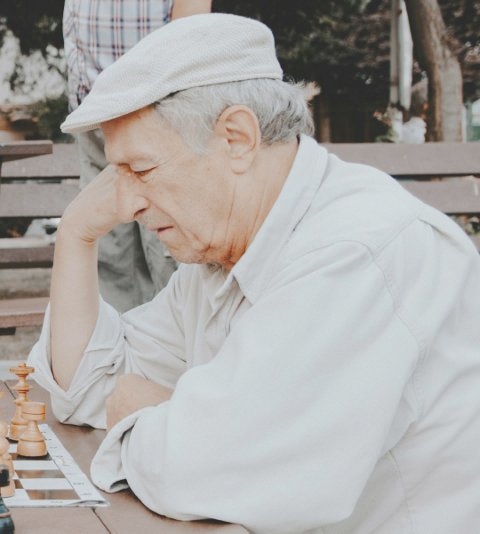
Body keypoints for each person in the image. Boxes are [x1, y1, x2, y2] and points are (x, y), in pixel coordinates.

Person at [25, 14, 480, 532]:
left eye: (141, 170)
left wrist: (135, 408)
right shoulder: (225, 252)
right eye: (116, 174)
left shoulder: (354, 251)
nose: (125, 203)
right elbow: (87, 388)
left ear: (236, 138)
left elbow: (211, 473)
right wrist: (76, 235)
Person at [62, 0, 210, 311]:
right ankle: (115, 349)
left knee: (167, 244)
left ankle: (178, 346)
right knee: (107, 245)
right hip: (93, 112)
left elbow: (191, 33)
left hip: (157, 108)